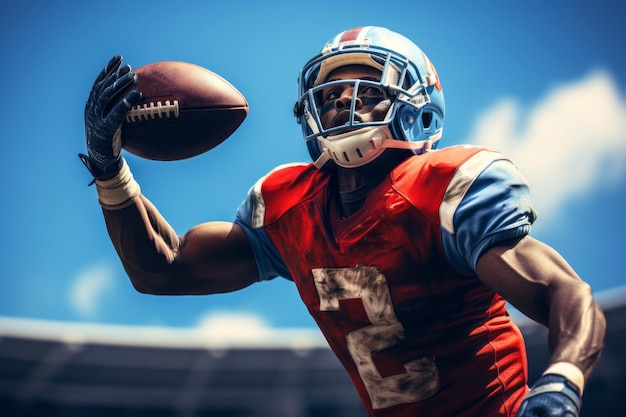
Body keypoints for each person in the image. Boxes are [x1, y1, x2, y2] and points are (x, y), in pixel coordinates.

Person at [79, 26, 606, 417]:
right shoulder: (289, 206)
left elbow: (566, 294)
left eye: (366, 89)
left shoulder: (441, 191)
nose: (341, 106)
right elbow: (164, 270)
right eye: (330, 96)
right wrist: (109, 170)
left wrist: (561, 382)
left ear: (420, 110)